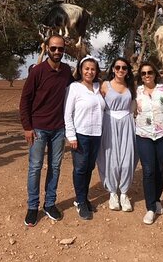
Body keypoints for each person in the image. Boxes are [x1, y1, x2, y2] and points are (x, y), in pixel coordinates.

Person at [19, 35, 73, 227]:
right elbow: (25, 100)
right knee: (35, 167)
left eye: (60, 49)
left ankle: (49, 204)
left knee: (55, 167)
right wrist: (27, 127)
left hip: (59, 128)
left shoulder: (67, 71)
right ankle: (32, 207)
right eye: (53, 48)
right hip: (39, 128)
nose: (57, 52)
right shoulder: (37, 71)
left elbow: (77, 90)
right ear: (47, 49)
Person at [64, 56, 105, 220]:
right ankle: (80, 201)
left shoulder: (98, 87)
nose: (90, 71)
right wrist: (71, 136)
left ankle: (84, 197)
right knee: (80, 168)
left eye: (93, 69)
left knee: (89, 168)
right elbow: (67, 114)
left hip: (96, 134)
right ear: (81, 70)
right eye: (86, 68)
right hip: (80, 135)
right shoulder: (74, 87)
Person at [135, 61, 163, 225]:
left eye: (149, 72)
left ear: (155, 74)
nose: (147, 75)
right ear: (140, 76)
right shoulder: (137, 92)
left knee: (159, 168)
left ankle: (157, 199)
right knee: (148, 170)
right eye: (143, 73)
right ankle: (150, 208)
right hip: (144, 135)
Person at [97, 56, 136, 212]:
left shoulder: (131, 86)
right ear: (113, 69)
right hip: (109, 122)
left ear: (127, 71)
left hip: (127, 123)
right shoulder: (105, 85)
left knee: (127, 161)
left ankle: (124, 193)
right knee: (111, 160)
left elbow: (135, 105)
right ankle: (113, 193)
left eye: (124, 68)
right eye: (118, 67)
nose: (121, 70)